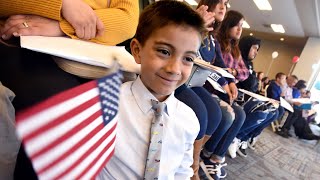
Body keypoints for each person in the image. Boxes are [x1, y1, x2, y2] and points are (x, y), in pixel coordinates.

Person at [97, 1, 206, 179]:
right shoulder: (107, 104)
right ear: (137, 50)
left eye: (188, 58)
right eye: (164, 52)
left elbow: (181, 172)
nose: (175, 69)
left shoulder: (189, 121)